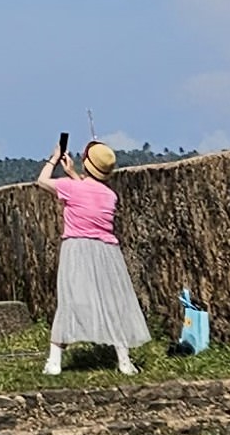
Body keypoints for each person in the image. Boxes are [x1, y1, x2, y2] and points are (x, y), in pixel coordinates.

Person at [38, 139, 149, 377]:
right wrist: (74, 174)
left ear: (86, 164)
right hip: (108, 252)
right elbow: (90, 193)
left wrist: (54, 159)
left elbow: (42, 181)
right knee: (113, 304)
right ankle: (124, 361)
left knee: (69, 302)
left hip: (77, 249)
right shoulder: (110, 196)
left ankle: (55, 361)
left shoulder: (71, 187)